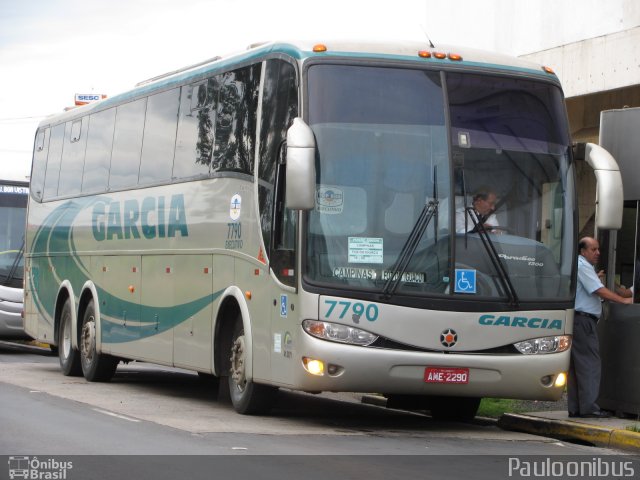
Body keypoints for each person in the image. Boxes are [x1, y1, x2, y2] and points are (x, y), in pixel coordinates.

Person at [568, 236, 632, 419]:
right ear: (583, 251)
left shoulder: (582, 267)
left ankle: (576, 408)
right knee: (589, 365)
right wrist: (623, 300)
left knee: (576, 367)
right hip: (583, 321)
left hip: (578, 320)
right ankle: (589, 408)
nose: (597, 253)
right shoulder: (583, 266)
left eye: (598, 249)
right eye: (593, 249)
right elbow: (599, 290)